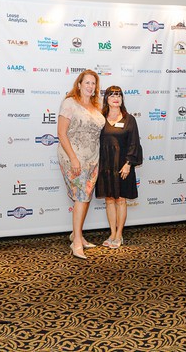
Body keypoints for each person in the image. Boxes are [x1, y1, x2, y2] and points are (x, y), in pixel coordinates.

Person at [58, 69, 106, 259]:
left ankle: (77, 234)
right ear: (79, 85)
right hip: (74, 157)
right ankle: (77, 242)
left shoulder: (96, 106)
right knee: (81, 196)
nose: (90, 86)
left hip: (93, 158)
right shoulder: (70, 103)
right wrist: (74, 159)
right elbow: (61, 133)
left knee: (85, 197)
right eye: (87, 82)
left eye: (93, 83)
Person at [96, 86, 143, 249]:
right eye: (112, 95)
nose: (116, 98)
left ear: (122, 99)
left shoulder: (129, 119)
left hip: (123, 166)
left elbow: (134, 143)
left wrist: (129, 164)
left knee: (121, 199)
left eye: (119, 95)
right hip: (105, 165)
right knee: (109, 200)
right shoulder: (100, 118)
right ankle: (112, 233)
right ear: (106, 99)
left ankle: (119, 235)